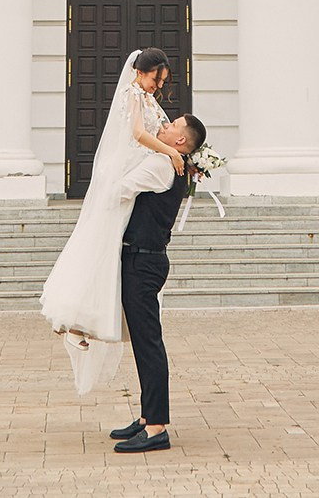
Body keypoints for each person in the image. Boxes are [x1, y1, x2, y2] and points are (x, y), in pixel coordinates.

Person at [39, 49, 184, 397]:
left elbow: (166, 131)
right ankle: (77, 321)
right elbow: (137, 134)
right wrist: (171, 152)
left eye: (161, 81)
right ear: (139, 71)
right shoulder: (133, 94)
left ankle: (86, 322)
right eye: (154, 78)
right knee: (103, 247)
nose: (156, 86)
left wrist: (178, 153)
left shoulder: (148, 99)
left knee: (114, 254)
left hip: (135, 180)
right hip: (122, 178)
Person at [108, 111, 203, 454]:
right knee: (145, 342)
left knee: (149, 344)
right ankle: (149, 416)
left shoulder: (163, 165)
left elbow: (118, 190)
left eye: (172, 125)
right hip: (144, 259)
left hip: (142, 262)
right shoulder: (169, 161)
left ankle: (157, 426)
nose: (164, 126)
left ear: (180, 141)